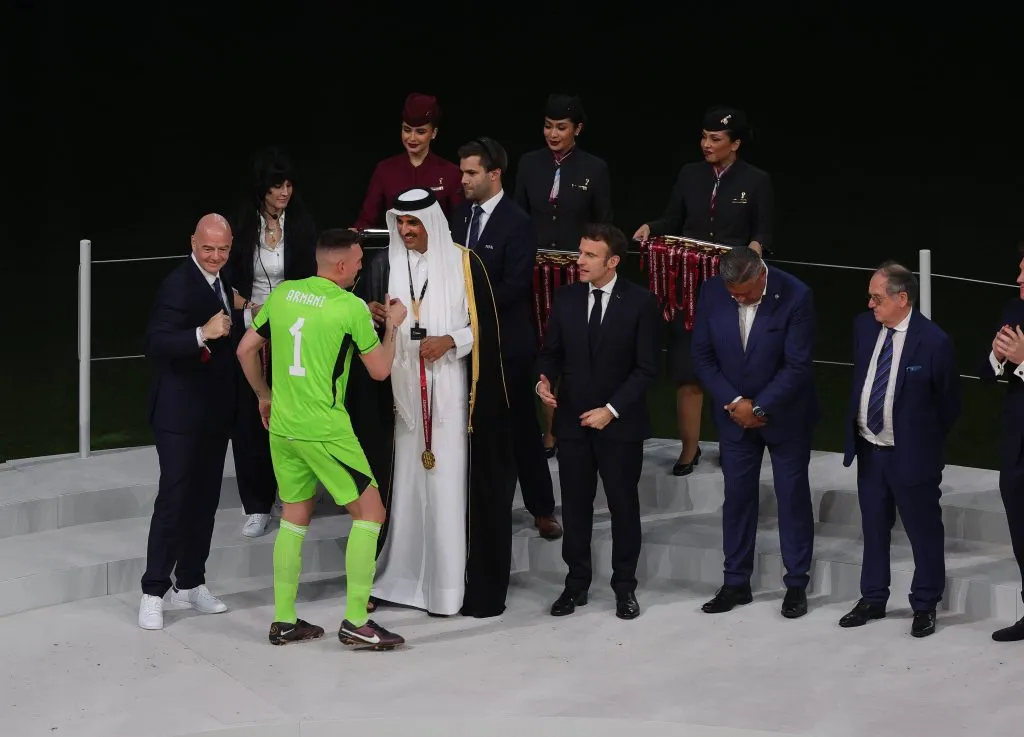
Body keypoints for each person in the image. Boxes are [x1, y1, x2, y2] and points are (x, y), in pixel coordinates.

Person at [347, 188, 516, 618]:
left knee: (445, 487)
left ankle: (445, 587)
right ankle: (401, 579)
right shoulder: (386, 263)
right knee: (405, 485)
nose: (405, 231)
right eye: (400, 223)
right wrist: (374, 315)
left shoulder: (463, 262)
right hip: (402, 397)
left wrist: (450, 341)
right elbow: (367, 319)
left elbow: (488, 330)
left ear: (432, 223)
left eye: (413, 223)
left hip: (450, 394)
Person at [236, 228, 409, 649]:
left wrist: (264, 396)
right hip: (325, 430)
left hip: (283, 427)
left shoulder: (284, 294)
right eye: (360, 263)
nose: (362, 268)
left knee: (295, 516)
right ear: (345, 265)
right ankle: (355, 621)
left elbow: (244, 349)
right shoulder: (349, 308)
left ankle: (283, 620)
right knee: (371, 513)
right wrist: (394, 327)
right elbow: (381, 370)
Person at [633, 106, 773, 477]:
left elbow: (764, 231)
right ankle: (688, 450)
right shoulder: (690, 175)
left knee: (733, 370)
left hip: (732, 291)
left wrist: (756, 248)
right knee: (686, 369)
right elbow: (673, 219)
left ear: (735, 143)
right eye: (704, 137)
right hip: (689, 292)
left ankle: (733, 444)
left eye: (716, 139)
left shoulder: (756, 180)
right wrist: (652, 227)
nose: (706, 144)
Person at [536, 223, 660, 620]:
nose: (580, 260)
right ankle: (576, 585)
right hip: (572, 423)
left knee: (624, 507)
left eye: (589, 255)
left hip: (620, 426)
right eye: (580, 252)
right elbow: (551, 352)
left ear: (613, 261)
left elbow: (646, 368)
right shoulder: (567, 297)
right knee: (575, 507)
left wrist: (611, 410)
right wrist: (543, 380)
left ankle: (625, 588)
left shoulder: (640, 303)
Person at [691, 246, 817, 619]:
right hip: (733, 417)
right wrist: (735, 403)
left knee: (791, 496)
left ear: (762, 273)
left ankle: (796, 583)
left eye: (745, 292)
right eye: (733, 293)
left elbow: (797, 365)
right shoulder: (713, 291)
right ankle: (735, 582)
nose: (738, 299)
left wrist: (759, 407)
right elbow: (702, 356)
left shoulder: (796, 295)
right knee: (738, 496)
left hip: (786, 416)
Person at [839, 262, 960, 638]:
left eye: (877, 298)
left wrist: (922, 446)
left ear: (901, 298)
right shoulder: (864, 327)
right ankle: (873, 598)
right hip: (871, 452)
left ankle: (924, 604)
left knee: (923, 531)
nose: (870, 304)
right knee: (873, 527)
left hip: (913, 458)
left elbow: (949, 404)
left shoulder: (934, 341)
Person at [451, 137, 562, 540]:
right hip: (464, 343)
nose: (462, 179)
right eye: (462, 171)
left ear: (494, 174)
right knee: (468, 427)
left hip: (507, 346)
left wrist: (466, 307)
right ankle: (474, 506)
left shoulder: (518, 222)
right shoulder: (458, 217)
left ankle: (542, 508)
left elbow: (514, 287)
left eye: (471, 172)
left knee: (521, 429)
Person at [138, 214, 238, 631]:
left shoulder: (220, 281)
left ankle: (191, 582)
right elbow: (155, 342)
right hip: (178, 414)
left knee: (205, 501)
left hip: (214, 411)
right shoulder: (178, 283)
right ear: (192, 243)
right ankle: (153, 591)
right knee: (174, 500)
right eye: (207, 249)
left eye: (223, 250)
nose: (215, 257)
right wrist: (202, 331)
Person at [515, 93, 614, 459]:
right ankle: (547, 432)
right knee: (541, 350)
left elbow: (603, 222)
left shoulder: (595, 168)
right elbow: (518, 217)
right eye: (547, 126)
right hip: (534, 275)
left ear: (578, 129)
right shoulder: (528, 164)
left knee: (574, 347)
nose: (552, 134)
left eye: (561, 127)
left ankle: (576, 423)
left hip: (577, 274)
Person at [227, 147, 317, 538]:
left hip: (291, 326)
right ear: (262, 189)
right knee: (250, 416)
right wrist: (250, 306)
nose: (285, 192)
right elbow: (225, 279)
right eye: (277, 185)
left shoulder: (301, 223)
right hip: (251, 322)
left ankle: (293, 492)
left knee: (292, 413)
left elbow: (313, 275)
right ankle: (257, 504)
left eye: (289, 184)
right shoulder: (242, 224)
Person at [982, 246, 1024, 642]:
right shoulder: (1015, 308)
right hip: (1017, 446)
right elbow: (986, 373)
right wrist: (997, 358)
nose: (1018, 280)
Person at [353, 93, 464, 229]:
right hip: (394, 248)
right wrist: (352, 237)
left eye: (420, 132)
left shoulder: (451, 173)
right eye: (407, 130)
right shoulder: (385, 169)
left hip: (438, 249)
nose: (412, 138)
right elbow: (367, 219)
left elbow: (461, 223)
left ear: (434, 133)